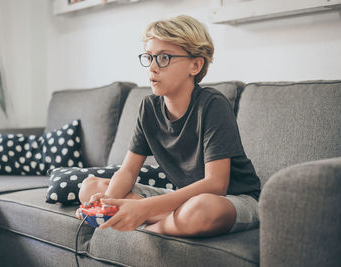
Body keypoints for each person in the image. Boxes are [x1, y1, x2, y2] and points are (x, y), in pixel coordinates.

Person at [76, 15, 261, 237]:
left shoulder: (212, 104)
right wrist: (108, 202)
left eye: (164, 58)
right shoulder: (148, 107)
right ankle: (170, 219)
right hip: (184, 197)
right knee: (90, 188)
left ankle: (150, 227)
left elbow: (216, 184)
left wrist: (144, 207)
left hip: (232, 200)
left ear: (195, 64)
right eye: (149, 57)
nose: (152, 68)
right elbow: (127, 170)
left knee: (200, 210)